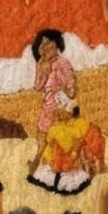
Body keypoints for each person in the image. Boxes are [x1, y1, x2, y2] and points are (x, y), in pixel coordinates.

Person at [31, 29, 76, 165]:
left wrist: (61, 93)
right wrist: (44, 70)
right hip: (47, 107)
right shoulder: (41, 63)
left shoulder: (63, 63)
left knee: (57, 138)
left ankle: (46, 162)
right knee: (41, 135)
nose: (45, 46)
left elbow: (71, 91)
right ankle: (39, 160)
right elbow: (38, 86)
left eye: (48, 42)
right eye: (43, 44)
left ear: (56, 44)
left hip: (60, 107)